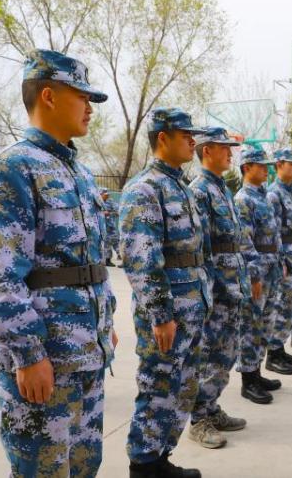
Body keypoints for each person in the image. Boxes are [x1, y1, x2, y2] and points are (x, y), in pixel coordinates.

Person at [0, 49, 117, 477]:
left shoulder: (78, 172)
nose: (89, 107)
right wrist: (28, 354)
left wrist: (104, 325)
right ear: (48, 96)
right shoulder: (12, 169)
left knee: (85, 467)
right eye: (81, 95)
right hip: (43, 363)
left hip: (85, 357)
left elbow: (85, 266)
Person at [120, 107, 208, 477]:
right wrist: (161, 314)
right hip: (168, 314)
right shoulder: (145, 189)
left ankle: (160, 457)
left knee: (181, 387)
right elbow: (142, 260)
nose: (193, 141)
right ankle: (143, 463)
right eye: (185, 134)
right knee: (158, 386)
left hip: (191, 308)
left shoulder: (179, 186)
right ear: (162, 138)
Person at [187, 127, 249, 448]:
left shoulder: (222, 188)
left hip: (232, 288)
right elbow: (202, 250)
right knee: (211, 357)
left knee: (226, 356)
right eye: (224, 148)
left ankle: (211, 407)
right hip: (217, 292)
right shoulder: (199, 192)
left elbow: (233, 242)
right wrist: (210, 295)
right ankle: (199, 418)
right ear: (207, 150)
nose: (230, 153)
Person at [234, 147, 287, 391]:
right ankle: (248, 379)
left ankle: (257, 371)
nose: (266, 169)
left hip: (272, 271)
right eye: (261, 165)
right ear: (247, 168)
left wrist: (281, 262)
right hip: (258, 275)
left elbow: (274, 236)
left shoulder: (263, 196)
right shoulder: (243, 200)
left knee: (265, 324)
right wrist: (253, 275)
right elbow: (244, 242)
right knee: (251, 326)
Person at [265, 149, 292, 373]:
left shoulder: (291, 193)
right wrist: (280, 261)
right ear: (279, 164)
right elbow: (274, 233)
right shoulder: (274, 195)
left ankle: (279, 347)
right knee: (280, 307)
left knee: (290, 307)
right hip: (285, 262)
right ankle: (272, 354)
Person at [101, 188, 121, 266]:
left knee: (116, 240)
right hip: (102, 227)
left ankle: (121, 255)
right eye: (105, 195)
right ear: (101, 194)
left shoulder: (111, 202)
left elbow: (117, 211)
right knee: (106, 244)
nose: (107, 196)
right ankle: (107, 260)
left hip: (111, 226)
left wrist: (109, 213)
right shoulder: (98, 202)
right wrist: (102, 213)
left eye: (108, 195)